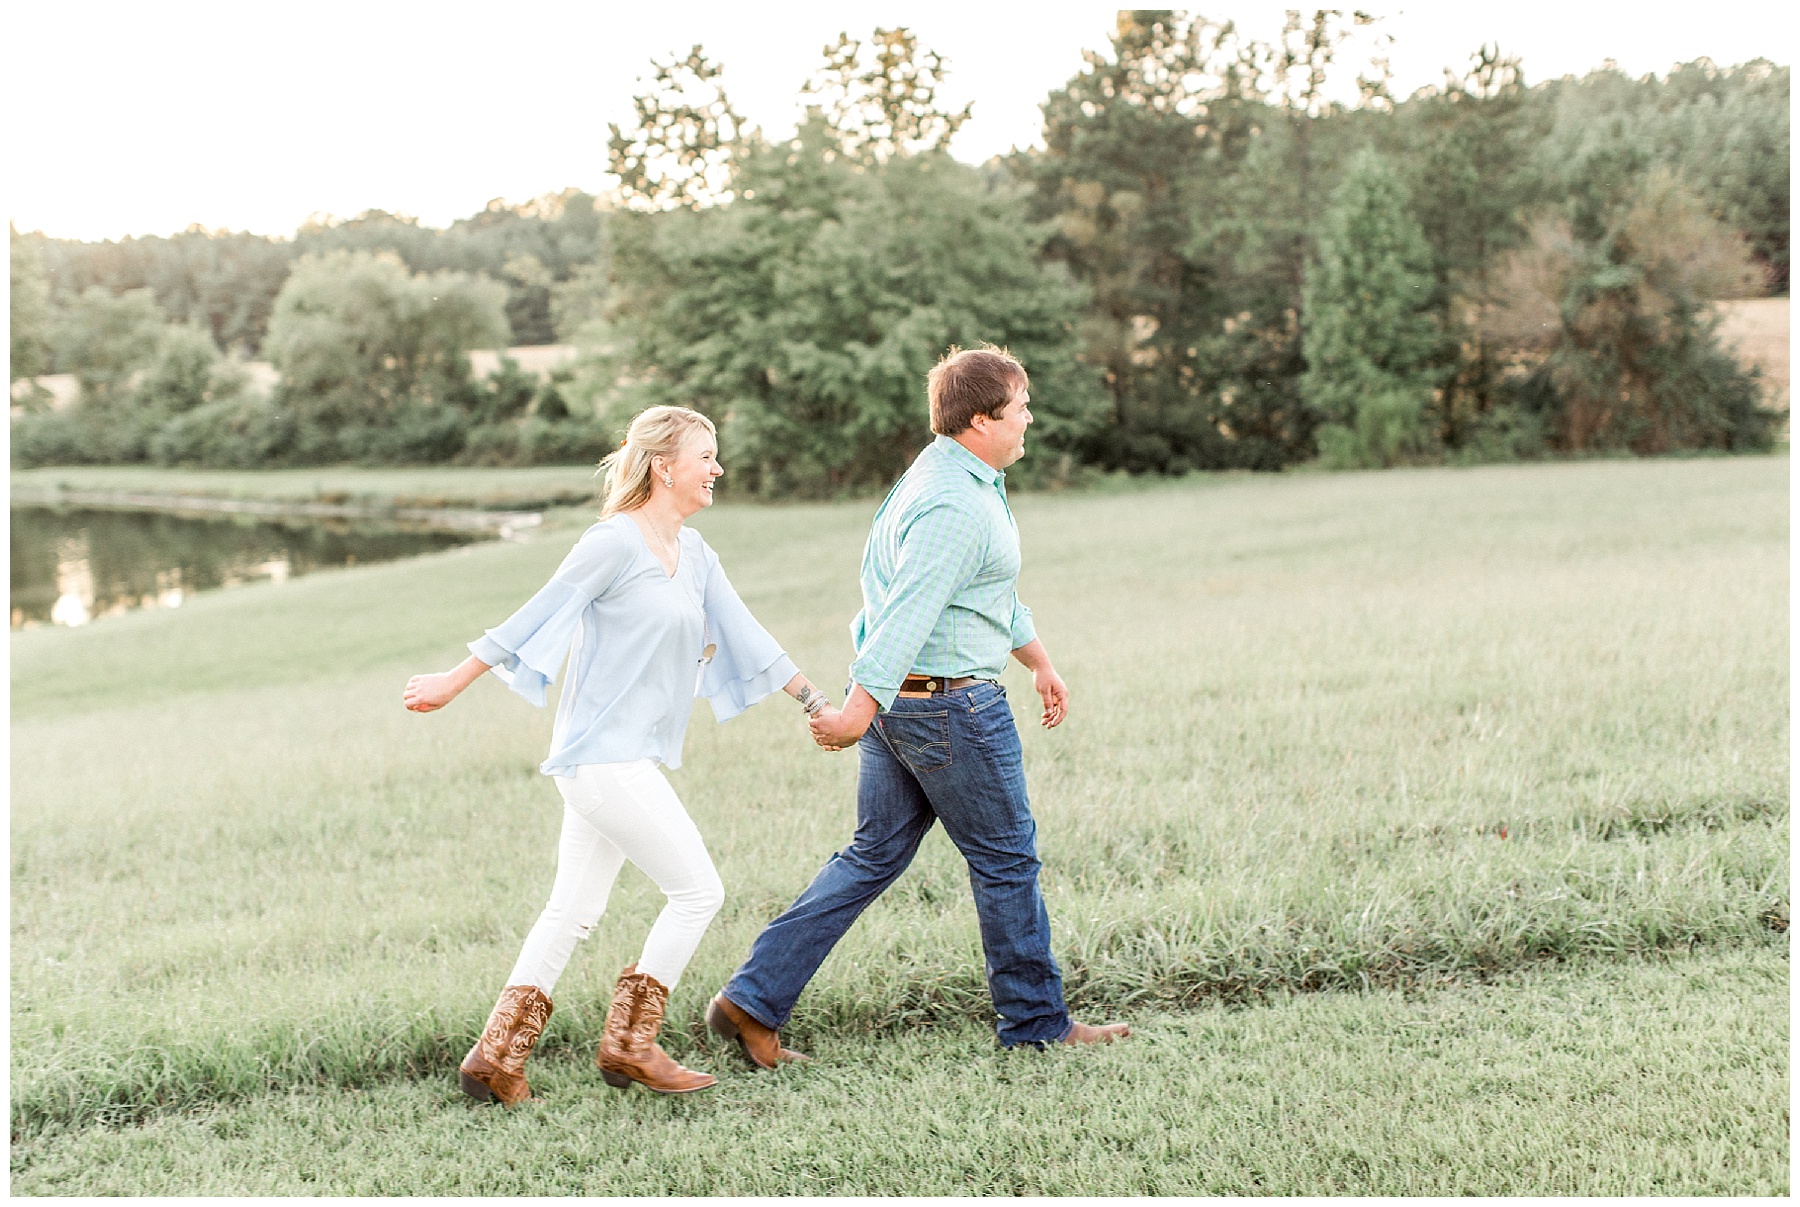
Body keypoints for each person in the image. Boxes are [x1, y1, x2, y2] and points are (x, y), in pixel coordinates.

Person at [706, 346, 1131, 1064]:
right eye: (1020, 406)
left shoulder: (948, 475)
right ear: (979, 419)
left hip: (915, 705)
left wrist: (1039, 661)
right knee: (1006, 861)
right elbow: (905, 612)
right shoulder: (953, 501)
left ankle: (751, 999)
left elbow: (981, 591)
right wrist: (853, 713)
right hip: (950, 711)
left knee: (871, 856)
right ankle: (1036, 1023)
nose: (1030, 417)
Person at [403, 405, 831, 1105]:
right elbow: (537, 612)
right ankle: (631, 1044)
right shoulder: (613, 543)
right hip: (600, 759)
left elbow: (746, 634)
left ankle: (495, 1058)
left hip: (627, 758)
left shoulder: (694, 554)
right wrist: (452, 681)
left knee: (572, 908)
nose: (717, 468)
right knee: (699, 890)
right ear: (665, 465)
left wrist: (817, 702)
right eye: (706, 455)